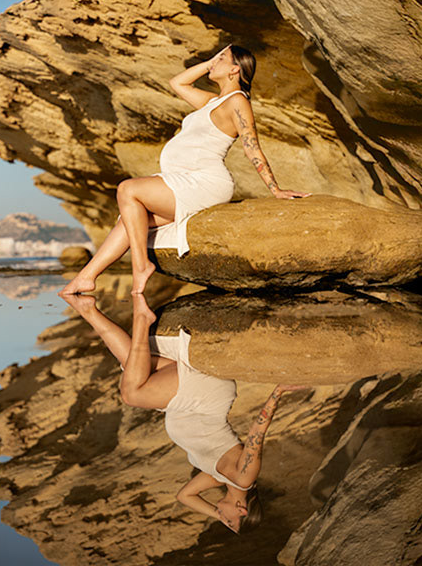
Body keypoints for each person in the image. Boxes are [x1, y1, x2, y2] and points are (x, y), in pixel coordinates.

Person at [59, 44, 310, 296]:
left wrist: (274, 189)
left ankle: (140, 265)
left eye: (221, 58)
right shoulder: (213, 101)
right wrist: (210, 62)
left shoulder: (237, 101)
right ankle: (86, 277)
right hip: (182, 179)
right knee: (130, 219)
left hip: (203, 182)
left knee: (128, 189)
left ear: (235, 69)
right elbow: (177, 83)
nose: (214, 62)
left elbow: (251, 146)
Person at [59, 291, 308, 534]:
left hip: (184, 402)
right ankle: (141, 319)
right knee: (131, 394)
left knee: (131, 362)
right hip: (206, 399)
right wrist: (278, 392)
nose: (224, 522)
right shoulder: (243, 478)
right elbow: (257, 434)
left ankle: (86, 308)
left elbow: (185, 496)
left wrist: (216, 512)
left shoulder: (217, 478)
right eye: (230, 523)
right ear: (242, 511)